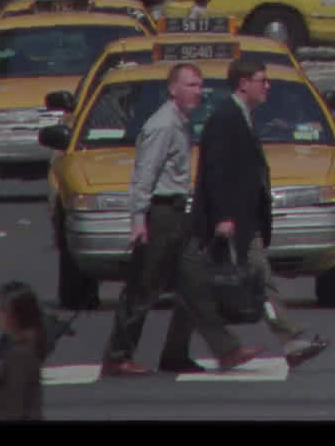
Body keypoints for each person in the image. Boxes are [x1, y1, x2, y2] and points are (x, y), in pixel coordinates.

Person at [102, 62, 253, 376]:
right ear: (173, 88)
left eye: (200, 85)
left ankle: (223, 351)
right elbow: (144, 174)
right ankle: (118, 356)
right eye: (191, 85)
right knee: (144, 287)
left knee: (196, 283)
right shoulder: (163, 125)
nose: (198, 92)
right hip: (160, 214)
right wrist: (138, 220)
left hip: (175, 215)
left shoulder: (179, 123)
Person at [195, 55, 329, 368]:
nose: (267, 86)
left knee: (203, 287)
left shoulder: (241, 115)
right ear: (243, 84)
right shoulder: (226, 118)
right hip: (233, 221)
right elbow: (215, 172)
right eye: (261, 80)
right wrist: (223, 217)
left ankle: (287, 341)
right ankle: (290, 339)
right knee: (252, 279)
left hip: (245, 218)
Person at [0, 281, 48, 419]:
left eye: (3, 309)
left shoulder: (20, 355)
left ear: (17, 314)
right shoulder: (26, 348)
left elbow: (14, 407)